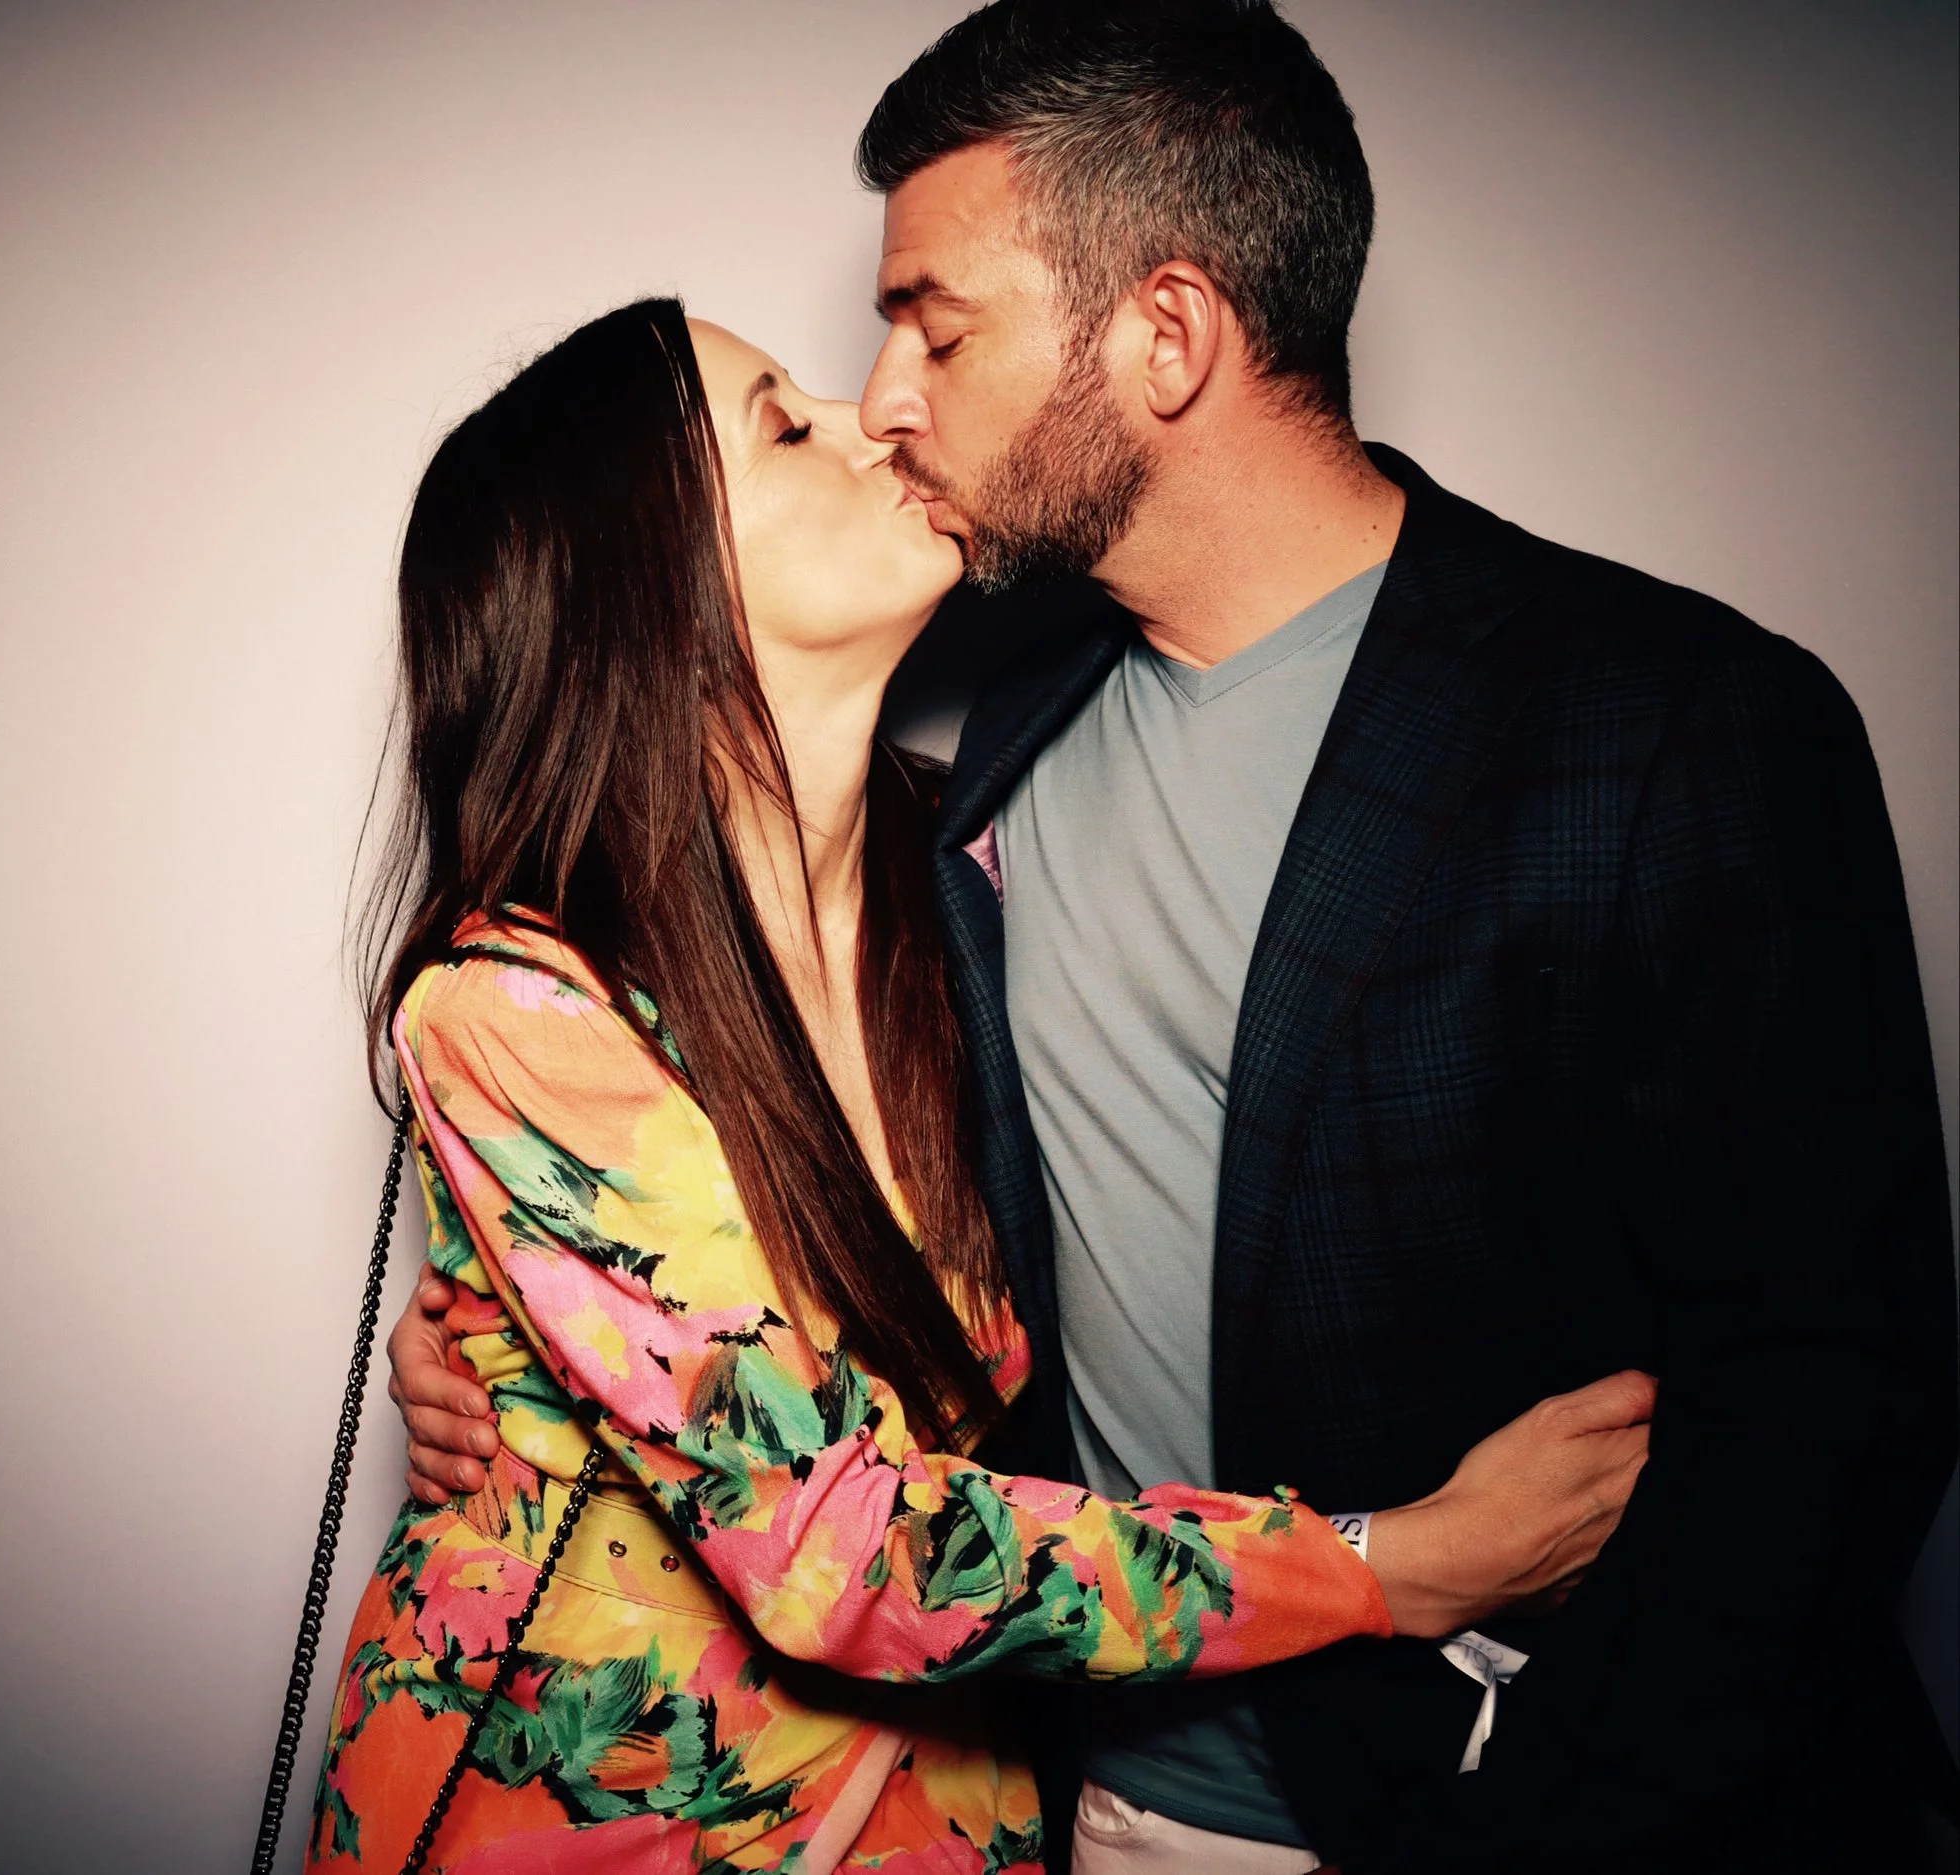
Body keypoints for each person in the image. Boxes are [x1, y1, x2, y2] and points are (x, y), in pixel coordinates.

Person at [390, 6, 1959, 1874]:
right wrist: (509, 1350)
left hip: (1524, 1807)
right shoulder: (1002, 759)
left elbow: (1829, 1399)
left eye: (935, 327)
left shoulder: (1683, 723)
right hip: (1093, 1807)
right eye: (826, 390)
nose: (885, 398)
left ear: (1166, 332)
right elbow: (814, 1423)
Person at [312, 296, 1655, 1875]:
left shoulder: (981, 878)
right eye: (784, 427)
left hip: (950, 1825)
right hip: (576, 1831)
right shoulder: (518, 1005)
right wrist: (1391, 1564)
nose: (877, 418)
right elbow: (835, 1547)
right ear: (650, 579)